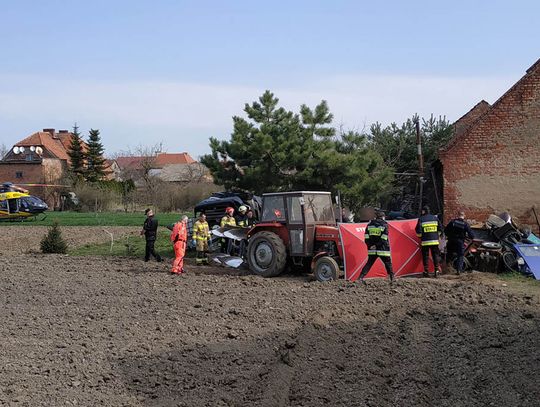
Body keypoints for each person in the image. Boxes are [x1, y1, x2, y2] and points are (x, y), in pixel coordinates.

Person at [358, 211, 394, 284]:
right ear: (382, 217)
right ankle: (392, 278)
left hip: (372, 250)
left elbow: (366, 237)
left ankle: (360, 277)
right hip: (382, 249)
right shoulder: (384, 224)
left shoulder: (369, 225)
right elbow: (384, 238)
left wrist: (370, 245)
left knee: (369, 263)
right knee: (387, 263)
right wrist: (377, 245)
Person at [416, 205, 443, 278]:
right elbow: (440, 229)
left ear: (424, 211)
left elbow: (418, 231)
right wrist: (437, 236)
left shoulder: (421, 219)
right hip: (435, 241)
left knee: (425, 256)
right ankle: (436, 270)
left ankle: (426, 271)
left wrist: (420, 237)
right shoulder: (435, 218)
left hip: (425, 242)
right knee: (435, 256)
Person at [445, 211, 474, 275]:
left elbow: (446, 231)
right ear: (464, 216)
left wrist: (450, 236)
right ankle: (459, 270)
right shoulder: (465, 224)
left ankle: (447, 268)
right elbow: (471, 235)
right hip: (460, 242)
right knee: (460, 256)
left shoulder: (452, 222)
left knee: (449, 254)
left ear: (457, 215)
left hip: (451, 241)